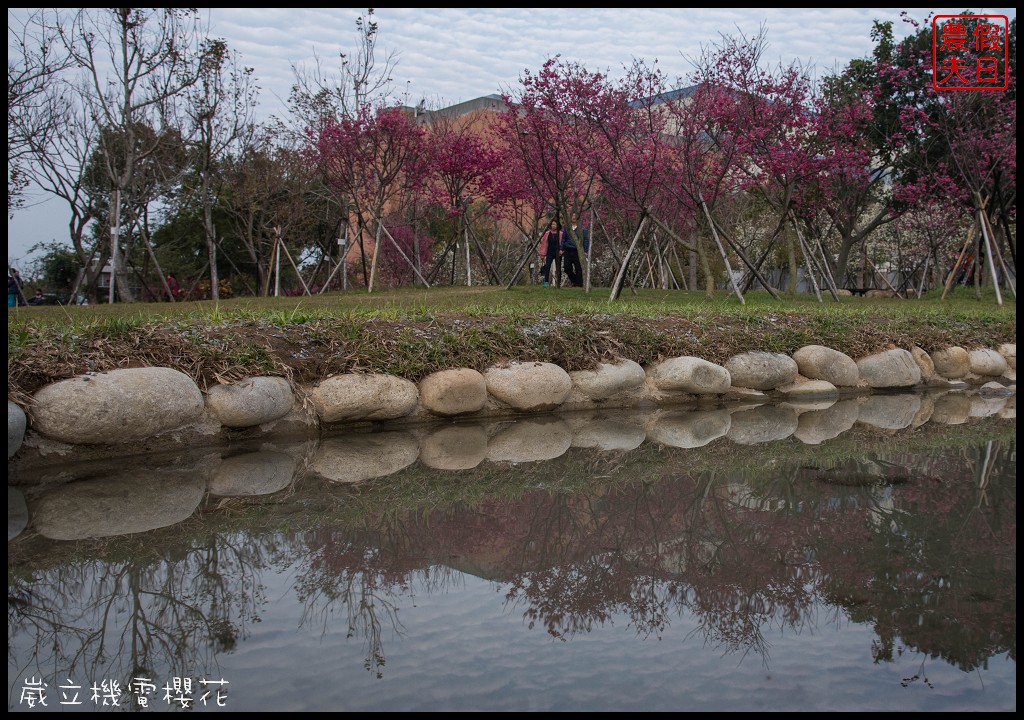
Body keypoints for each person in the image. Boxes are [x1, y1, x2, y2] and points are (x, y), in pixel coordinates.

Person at [561, 220, 591, 288]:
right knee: (566, 267)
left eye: (575, 216)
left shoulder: (582, 229)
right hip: (568, 249)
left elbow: (586, 240)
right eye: (572, 216)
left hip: (578, 250)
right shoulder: (567, 228)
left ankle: (578, 284)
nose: (574, 218)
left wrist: (585, 251)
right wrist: (561, 248)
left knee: (578, 268)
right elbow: (563, 239)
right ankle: (574, 280)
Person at [538, 219, 566, 287]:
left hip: (558, 253)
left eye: (555, 224)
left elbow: (563, 243)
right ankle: (546, 282)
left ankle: (558, 283)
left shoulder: (561, 233)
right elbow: (544, 244)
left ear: (558, 225)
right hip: (549, 252)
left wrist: (562, 250)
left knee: (558, 267)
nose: (553, 226)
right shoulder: (547, 233)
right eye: (552, 224)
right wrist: (542, 254)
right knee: (547, 267)